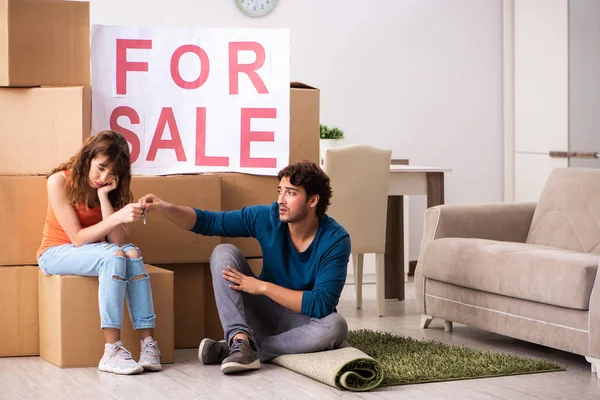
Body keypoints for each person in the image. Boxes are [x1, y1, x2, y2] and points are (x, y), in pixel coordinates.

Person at [139, 161, 350, 374]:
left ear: (313, 200)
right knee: (223, 253)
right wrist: (165, 207)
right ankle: (239, 339)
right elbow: (209, 222)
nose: (280, 200)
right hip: (263, 312)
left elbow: (321, 303)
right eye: (280, 191)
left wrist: (263, 287)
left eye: (291, 193)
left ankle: (242, 349)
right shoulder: (267, 218)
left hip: (302, 323)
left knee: (336, 326)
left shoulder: (335, 239)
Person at [36, 130, 161, 375]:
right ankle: (111, 349)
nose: (103, 177)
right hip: (56, 252)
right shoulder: (59, 181)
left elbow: (117, 238)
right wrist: (117, 216)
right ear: (87, 158)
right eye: (100, 167)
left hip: (95, 250)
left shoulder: (106, 187)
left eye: (111, 173)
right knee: (114, 255)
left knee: (132, 253)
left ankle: (148, 345)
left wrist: (105, 198)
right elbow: (77, 238)